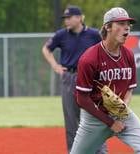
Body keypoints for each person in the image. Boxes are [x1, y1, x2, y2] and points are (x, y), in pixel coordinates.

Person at [71, 7, 140, 154]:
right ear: (107, 27)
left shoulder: (128, 55)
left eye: (128, 24)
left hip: (121, 113)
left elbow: (130, 88)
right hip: (94, 118)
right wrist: (110, 122)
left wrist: (122, 110)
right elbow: (82, 99)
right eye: (121, 24)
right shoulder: (89, 58)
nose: (127, 28)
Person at [42, 5, 107, 153]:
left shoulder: (93, 34)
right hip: (69, 77)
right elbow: (46, 49)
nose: (67, 21)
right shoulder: (61, 35)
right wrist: (55, 66)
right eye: (65, 18)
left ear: (79, 18)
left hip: (91, 79)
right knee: (71, 119)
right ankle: (74, 151)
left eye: (69, 17)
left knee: (96, 116)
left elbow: (105, 50)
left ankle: (100, 151)